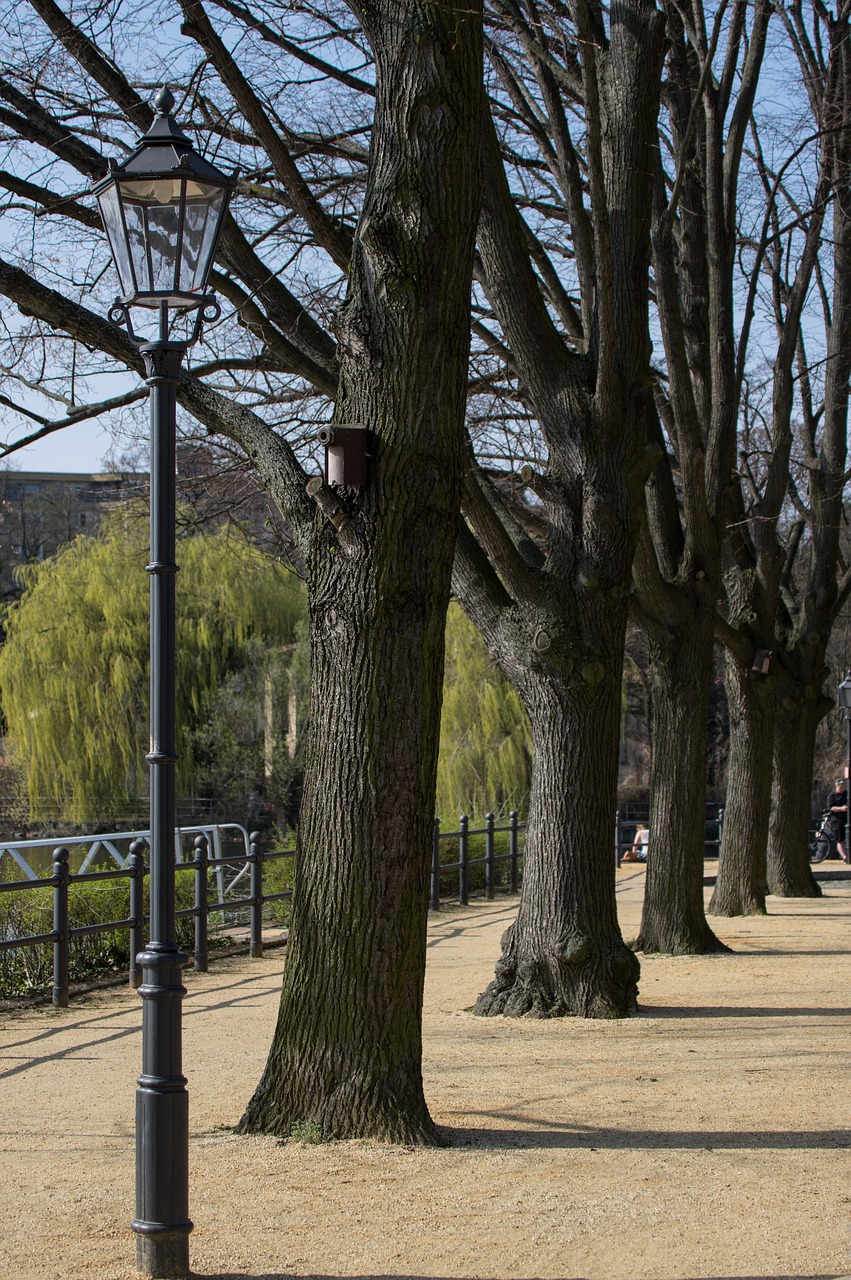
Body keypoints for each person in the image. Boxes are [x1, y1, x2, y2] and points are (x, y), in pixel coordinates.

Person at [824, 778, 848, 862]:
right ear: (836, 786)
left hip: (847, 818)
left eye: (843, 787)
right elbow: (831, 808)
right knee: (840, 839)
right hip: (837, 820)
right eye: (840, 787)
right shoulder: (832, 796)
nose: (842, 789)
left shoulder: (847, 794)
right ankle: (845, 857)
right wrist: (841, 808)